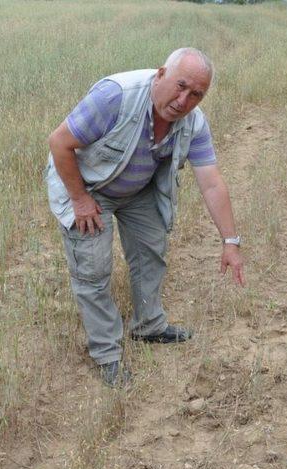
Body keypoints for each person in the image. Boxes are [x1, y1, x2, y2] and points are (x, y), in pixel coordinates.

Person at [45, 47, 244, 387]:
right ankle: (107, 355)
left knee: (152, 252)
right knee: (93, 270)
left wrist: (230, 242)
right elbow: (59, 142)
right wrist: (79, 199)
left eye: (196, 94)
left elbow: (211, 182)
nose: (184, 100)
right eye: (180, 86)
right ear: (161, 73)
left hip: (137, 190)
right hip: (88, 187)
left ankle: (149, 326)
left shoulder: (193, 123)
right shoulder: (116, 97)